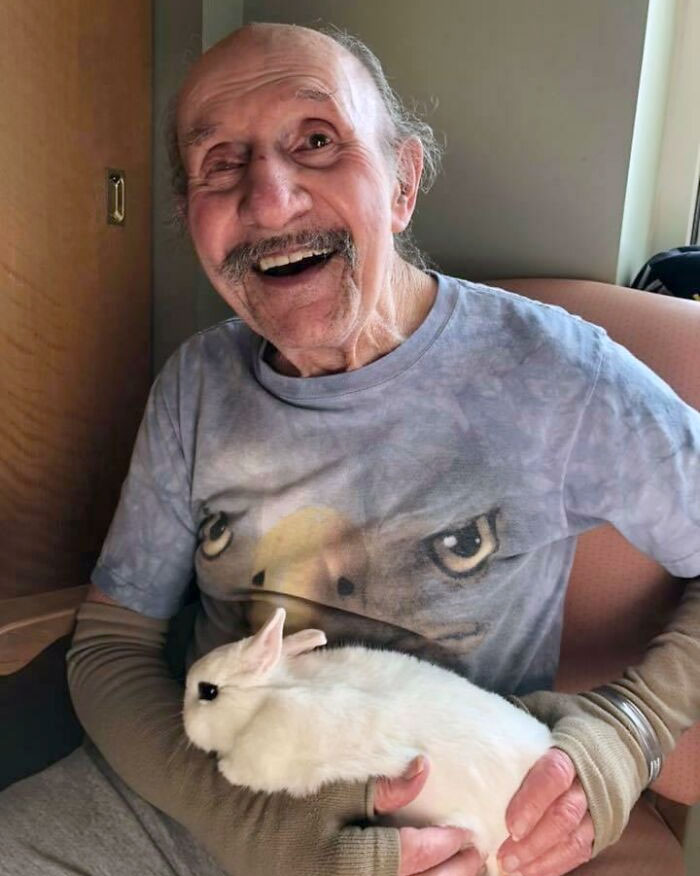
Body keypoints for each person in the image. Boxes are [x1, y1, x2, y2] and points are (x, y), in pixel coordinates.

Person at [1, 21, 699, 876]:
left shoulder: (555, 374)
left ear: (402, 183)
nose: (268, 200)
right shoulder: (197, 383)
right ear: (192, 219)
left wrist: (626, 734)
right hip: (193, 792)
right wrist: (250, 829)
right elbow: (111, 644)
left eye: (318, 141)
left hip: (437, 828)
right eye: (221, 162)